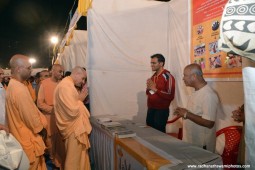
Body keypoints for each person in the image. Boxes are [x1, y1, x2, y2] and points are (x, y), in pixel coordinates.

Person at [5, 54, 47, 170]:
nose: (31, 71)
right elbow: (31, 118)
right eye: (28, 68)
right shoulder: (19, 89)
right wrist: (41, 130)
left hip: (21, 137)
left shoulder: (14, 85)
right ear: (18, 69)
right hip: (28, 139)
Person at [174, 63, 219, 152]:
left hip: (201, 145)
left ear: (194, 76)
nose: (183, 78)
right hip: (191, 142)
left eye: (185, 75)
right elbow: (196, 113)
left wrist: (186, 114)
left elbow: (209, 123)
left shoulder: (208, 95)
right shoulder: (196, 91)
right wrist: (183, 112)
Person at [54, 66, 92, 170]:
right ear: (76, 74)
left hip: (75, 128)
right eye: (83, 78)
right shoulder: (66, 87)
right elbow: (72, 111)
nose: (83, 82)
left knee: (79, 157)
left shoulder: (68, 85)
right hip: (73, 129)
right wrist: (80, 100)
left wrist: (79, 100)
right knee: (73, 160)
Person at [37, 64, 65, 169]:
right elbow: (40, 104)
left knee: (61, 143)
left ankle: (61, 163)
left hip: (61, 118)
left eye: (62, 71)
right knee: (51, 143)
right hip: (49, 118)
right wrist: (53, 110)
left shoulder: (62, 84)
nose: (61, 74)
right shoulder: (44, 84)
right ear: (52, 71)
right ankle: (55, 163)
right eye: (59, 71)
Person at [146, 54, 175, 133]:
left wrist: (155, 89)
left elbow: (170, 95)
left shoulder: (168, 76)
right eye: (151, 63)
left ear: (161, 63)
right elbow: (150, 93)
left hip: (161, 111)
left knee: (159, 135)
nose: (151, 65)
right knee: (149, 133)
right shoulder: (153, 76)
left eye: (154, 63)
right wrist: (149, 89)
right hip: (151, 109)